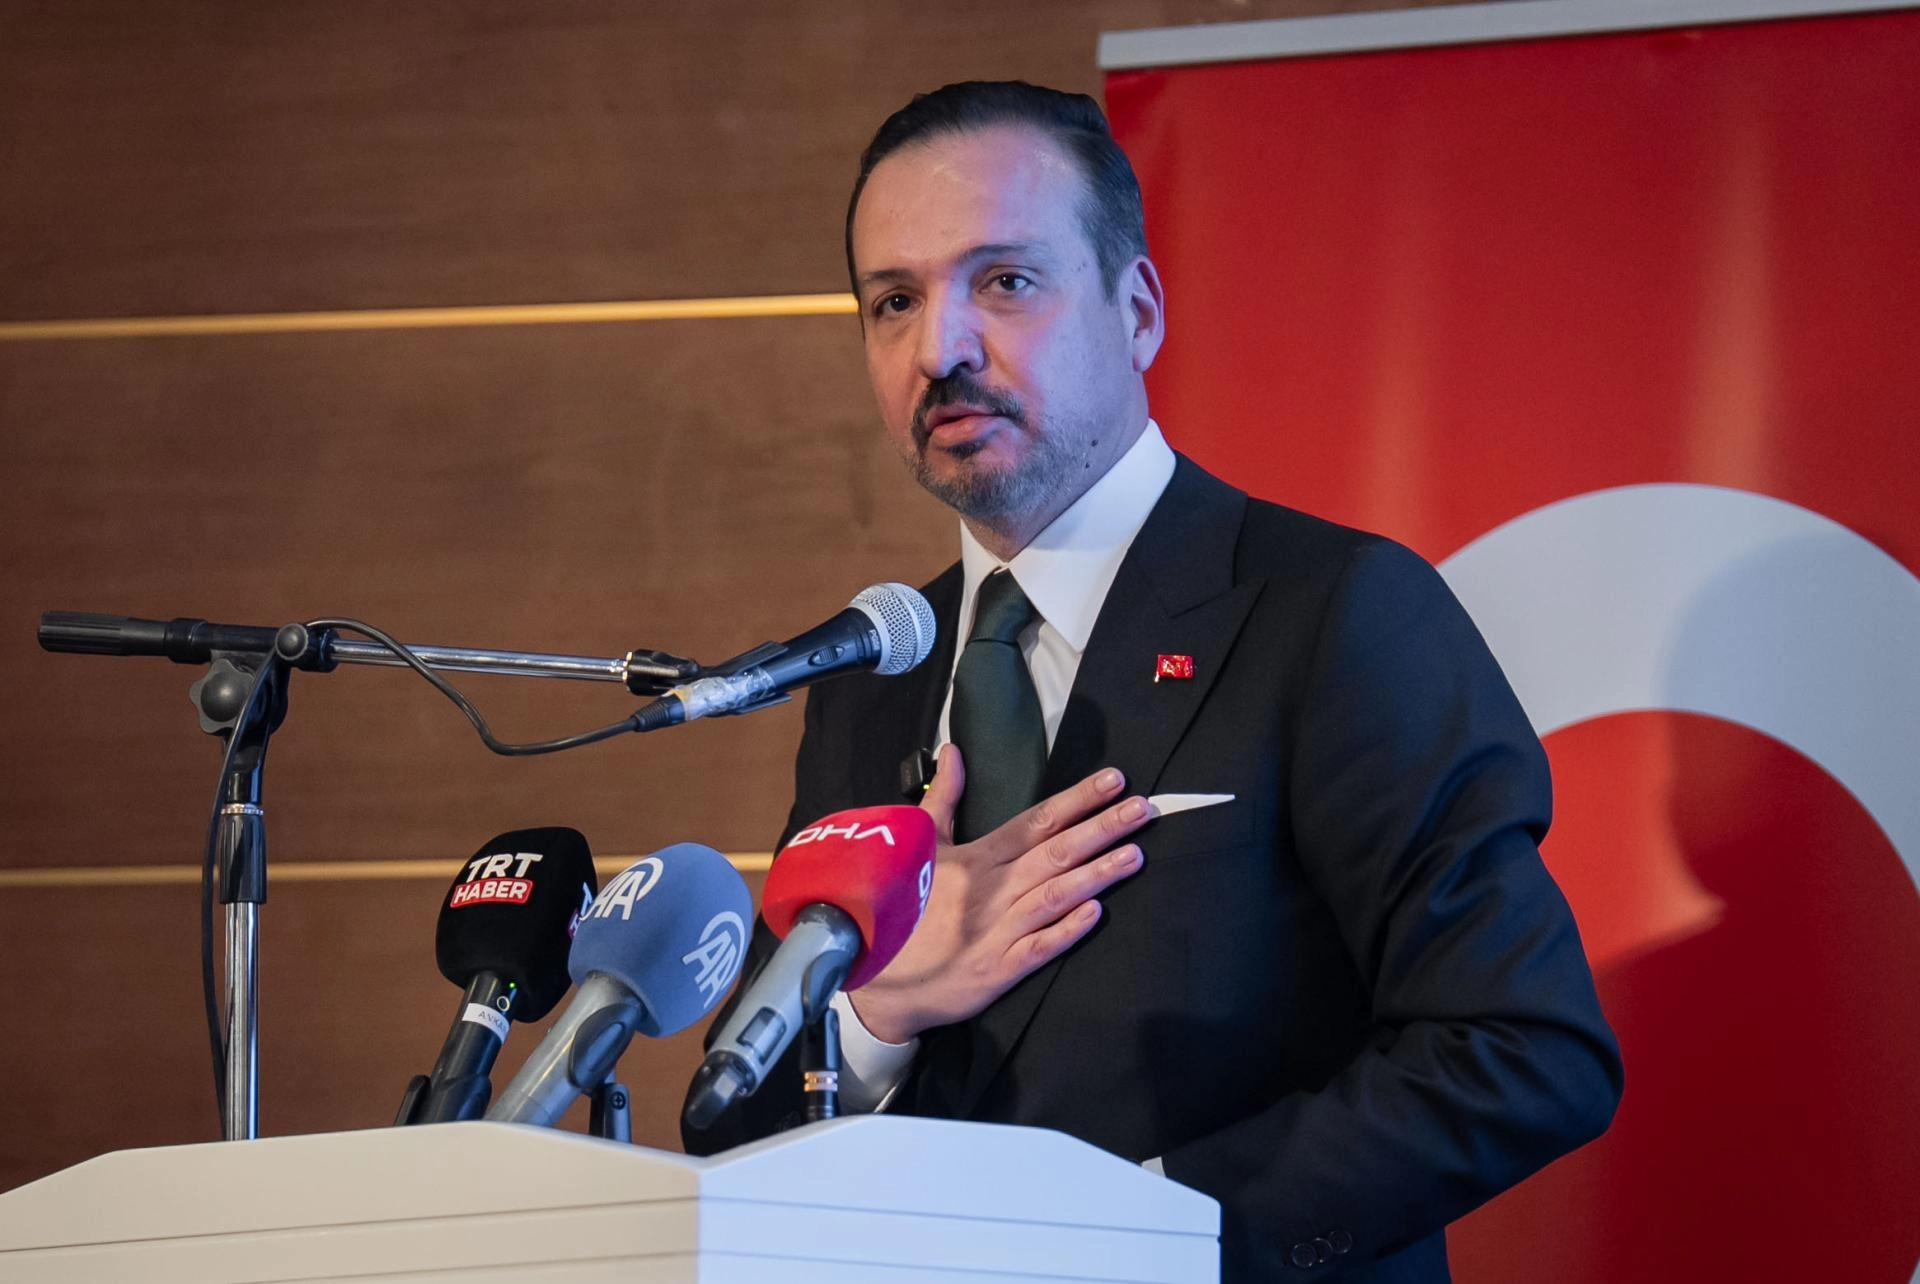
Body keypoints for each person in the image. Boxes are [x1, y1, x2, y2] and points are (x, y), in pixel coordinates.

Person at [685, 81, 1622, 1282]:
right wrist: (878, 1013)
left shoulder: (1333, 613)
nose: (940, 350)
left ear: (1136, 312)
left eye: (1004, 282)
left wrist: (1144, 1238)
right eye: (894, 301)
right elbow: (734, 1124)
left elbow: (1523, 1050)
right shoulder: (874, 673)